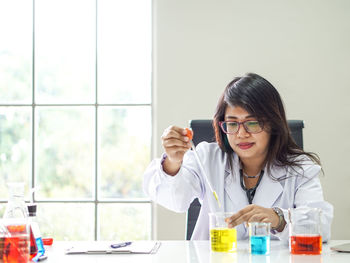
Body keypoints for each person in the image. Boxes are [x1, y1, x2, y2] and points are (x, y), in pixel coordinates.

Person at [143, 73, 333, 241]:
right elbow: (175, 201)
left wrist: (278, 219)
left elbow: (321, 226)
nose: (241, 134)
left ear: (274, 124)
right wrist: (173, 161)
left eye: (252, 123)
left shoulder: (300, 168)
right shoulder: (207, 158)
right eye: (232, 124)